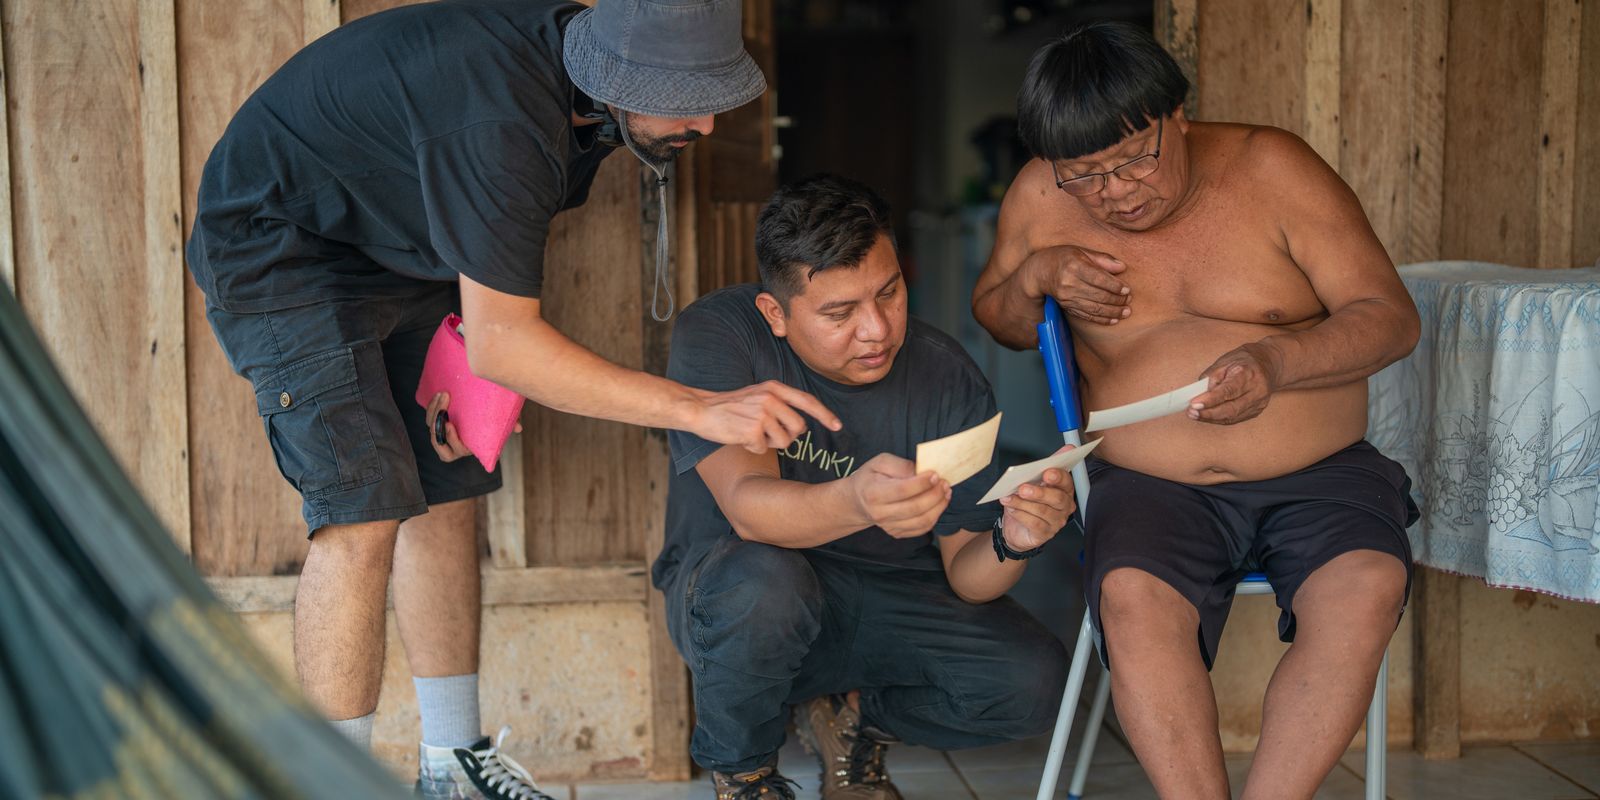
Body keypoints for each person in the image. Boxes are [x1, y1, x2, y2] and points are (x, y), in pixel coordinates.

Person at [186, 1, 839, 797]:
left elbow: (493, 285)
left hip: (399, 251)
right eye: (685, 95)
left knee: (450, 486)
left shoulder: (586, 83)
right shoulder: (503, 120)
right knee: (361, 506)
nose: (705, 123)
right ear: (620, 77)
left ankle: (451, 766)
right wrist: (699, 408)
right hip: (280, 248)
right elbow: (505, 340)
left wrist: (497, 367)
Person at [971, 22, 1421, 800]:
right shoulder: (1042, 197)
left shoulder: (1271, 168)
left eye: (1134, 158)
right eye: (1086, 176)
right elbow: (999, 319)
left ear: (1176, 114)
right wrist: (1037, 273)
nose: (1115, 192)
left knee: (1366, 586)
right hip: (1149, 483)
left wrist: (1279, 361)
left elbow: (1390, 316)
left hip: (1318, 469)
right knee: (1133, 601)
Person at [656, 174, 1076, 800]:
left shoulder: (947, 379)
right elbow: (749, 510)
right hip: (744, 592)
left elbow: (965, 569)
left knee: (1033, 681)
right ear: (776, 313)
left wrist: (1015, 540)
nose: (877, 329)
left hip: (890, 595)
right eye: (840, 312)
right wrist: (856, 499)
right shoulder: (723, 337)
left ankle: (855, 720)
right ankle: (745, 776)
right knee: (763, 583)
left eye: (889, 292)